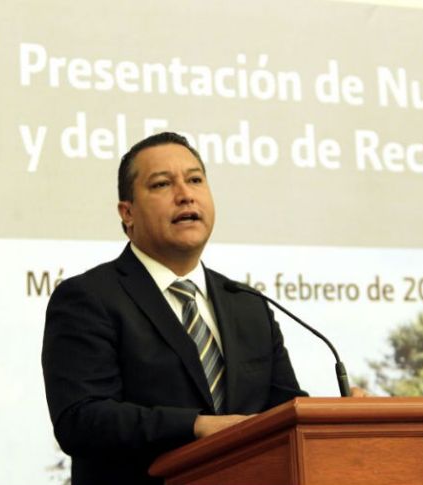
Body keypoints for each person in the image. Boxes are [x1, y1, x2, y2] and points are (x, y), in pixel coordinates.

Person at [41, 132, 308, 485]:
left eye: (195, 179)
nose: (185, 194)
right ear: (128, 213)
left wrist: (336, 416)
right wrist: (196, 426)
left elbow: (282, 410)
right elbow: (81, 419)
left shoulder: (248, 304)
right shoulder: (88, 299)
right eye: (163, 184)